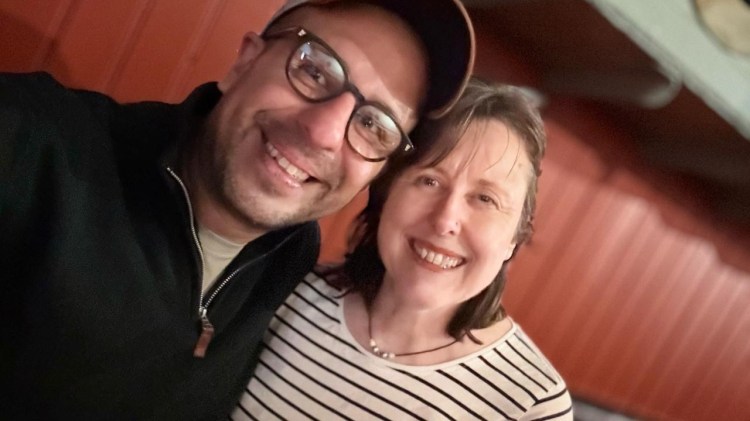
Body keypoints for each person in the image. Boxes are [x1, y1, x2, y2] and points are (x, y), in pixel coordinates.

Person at [0, 1, 474, 419]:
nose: (325, 132)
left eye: (375, 125)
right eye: (314, 70)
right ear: (245, 61)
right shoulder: (33, 145)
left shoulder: (291, 253)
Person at [232, 78, 574, 420]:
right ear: (386, 194)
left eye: (485, 199)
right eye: (429, 181)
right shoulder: (286, 293)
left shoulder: (531, 403)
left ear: (515, 236)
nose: (445, 220)